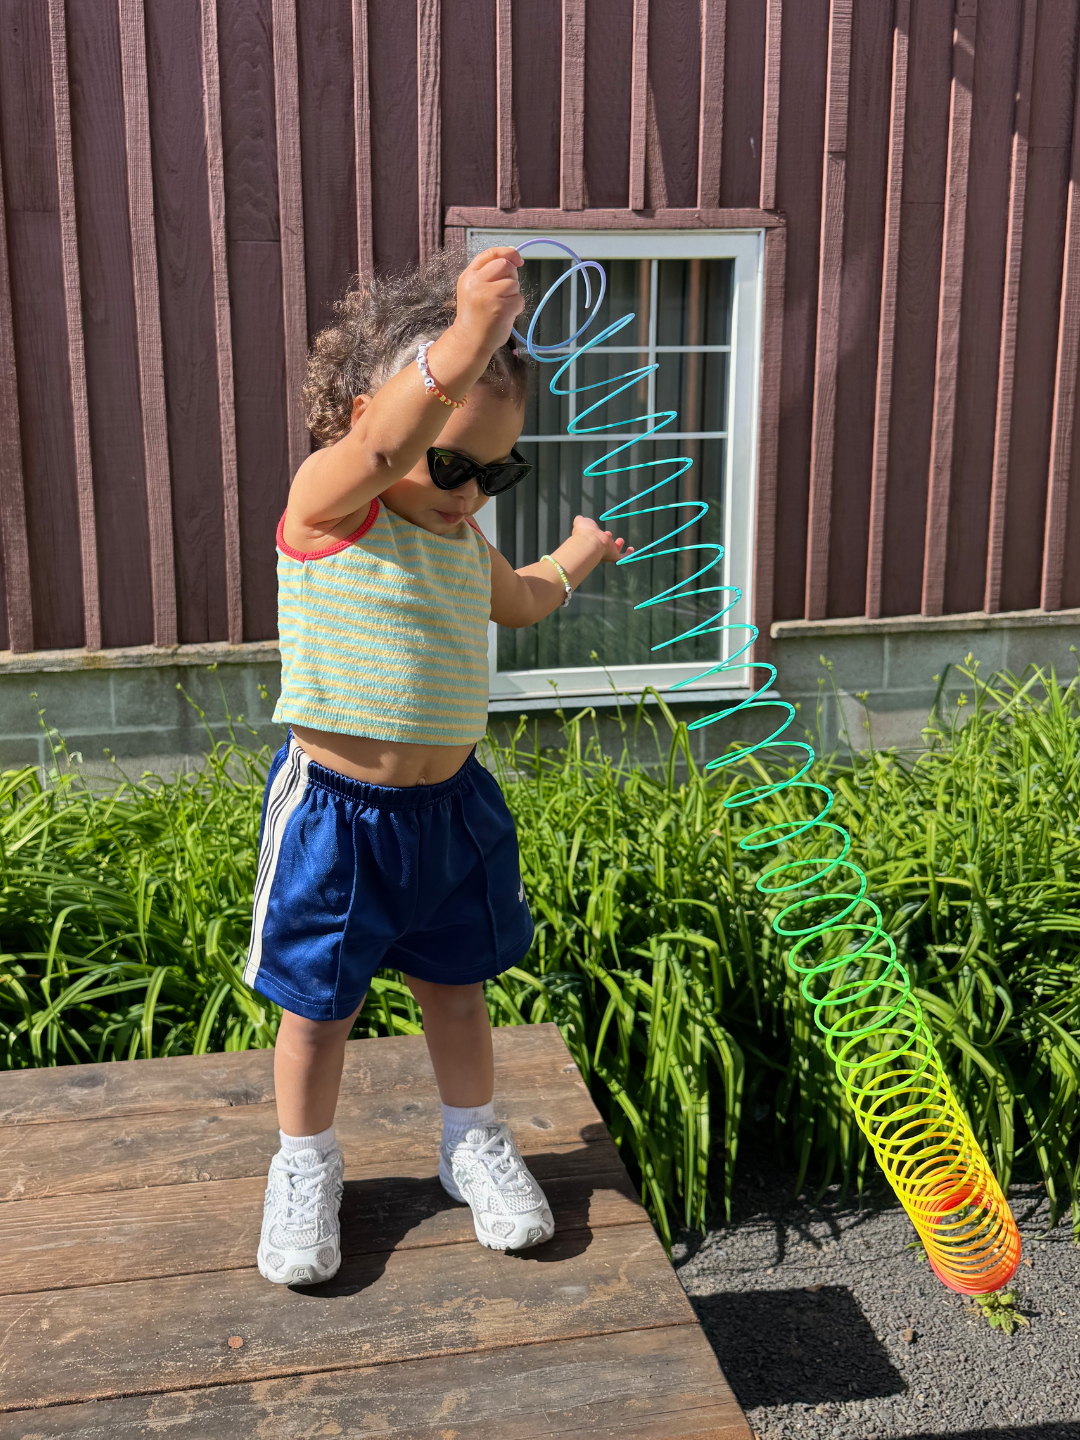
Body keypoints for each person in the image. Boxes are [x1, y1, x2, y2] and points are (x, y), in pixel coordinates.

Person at [247, 245, 630, 1284]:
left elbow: (523, 599)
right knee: (318, 1010)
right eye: (452, 462)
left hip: (451, 813)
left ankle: (472, 1141)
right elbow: (382, 449)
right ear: (375, 415)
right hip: (337, 813)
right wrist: (467, 337)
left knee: (458, 992)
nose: (469, 493)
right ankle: (307, 1165)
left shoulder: (464, 546)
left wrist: (580, 555)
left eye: (496, 472)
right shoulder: (333, 507)